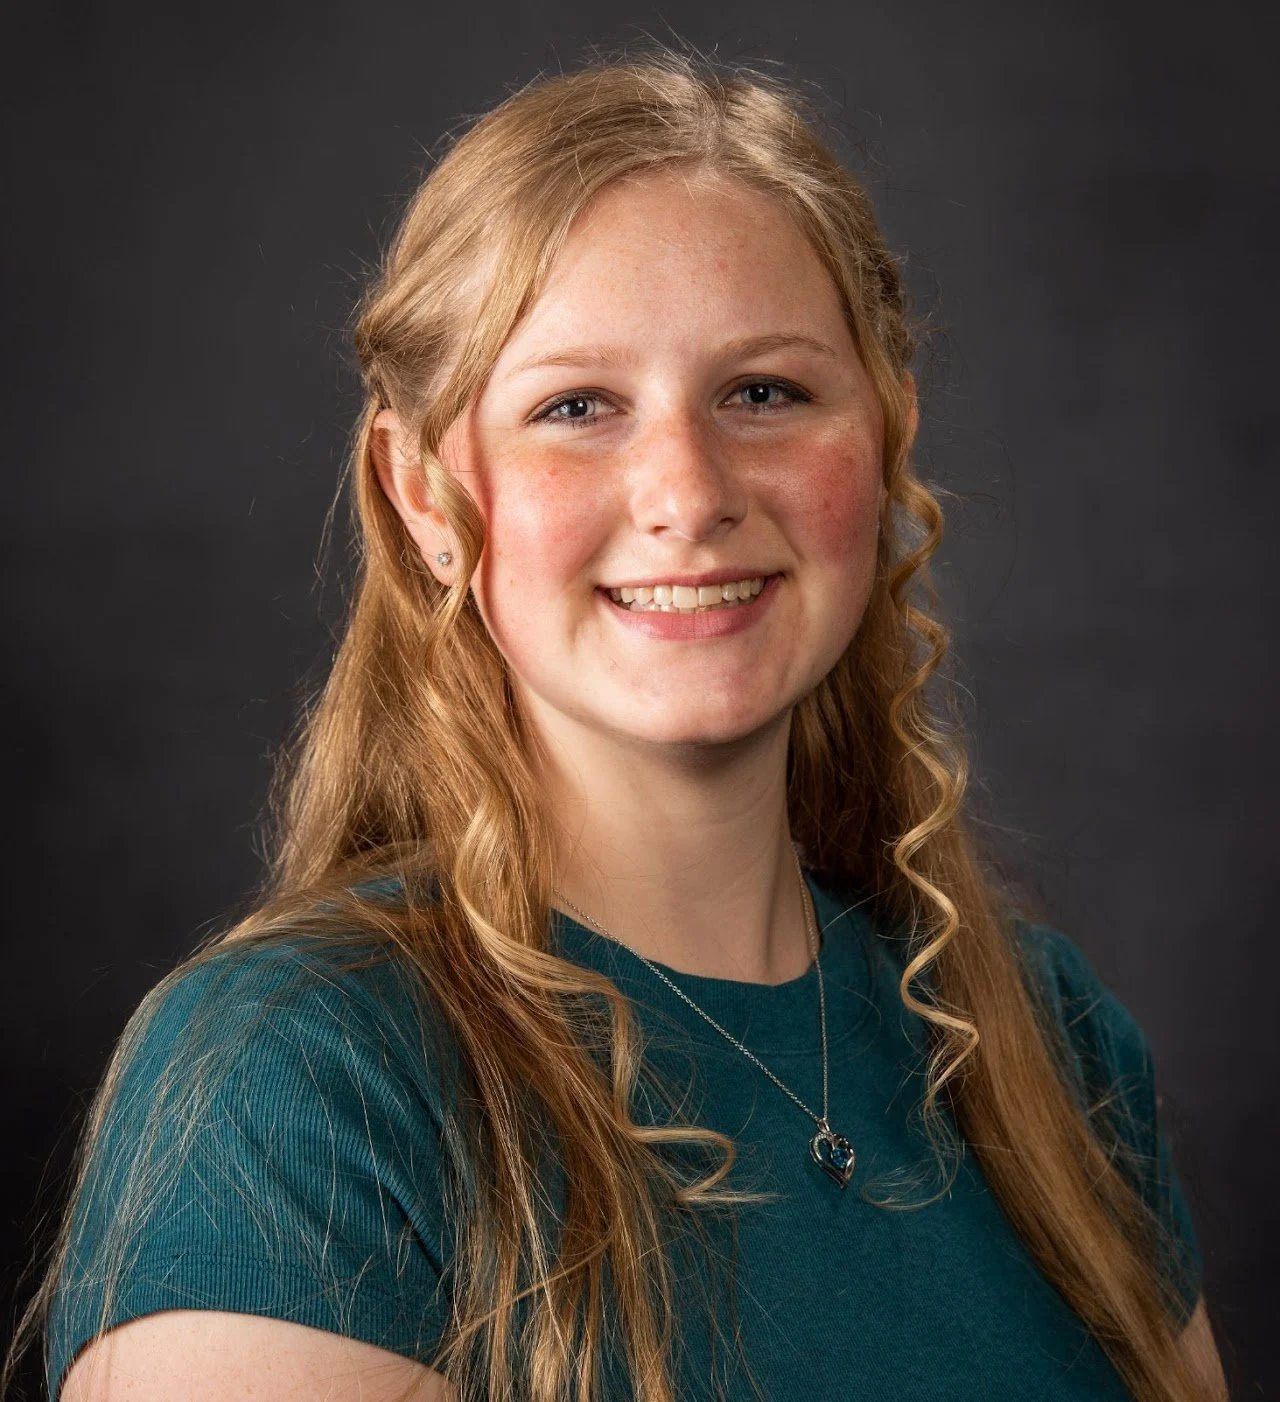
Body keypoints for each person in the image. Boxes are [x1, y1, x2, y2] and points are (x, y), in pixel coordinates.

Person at [10, 46, 1229, 1402]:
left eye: (763, 392)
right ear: (421, 490)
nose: (688, 491)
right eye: (577, 407)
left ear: (885, 429)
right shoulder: (304, 1085)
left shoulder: (1050, 1045)